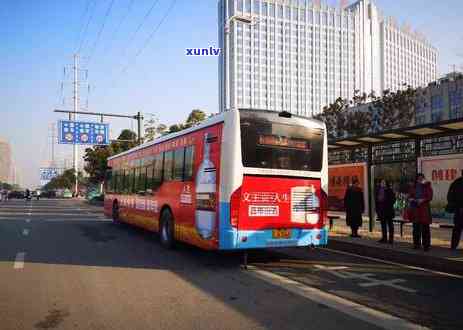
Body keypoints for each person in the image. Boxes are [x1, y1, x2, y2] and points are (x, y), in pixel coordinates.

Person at [408, 173, 433, 251]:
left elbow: (430, 196)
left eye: (421, 178)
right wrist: (411, 199)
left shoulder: (427, 186)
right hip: (416, 209)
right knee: (416, 228)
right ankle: (416, 244)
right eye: (418, 178)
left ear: (424, 179)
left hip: (424, 210)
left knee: (425, 229)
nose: (420, 180)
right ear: (416, 179)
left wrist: (423, 200)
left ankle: (426, 246)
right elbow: (410, 195)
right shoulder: (413, 187)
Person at [375, 179, 396, 244]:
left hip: (388, 210)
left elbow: (393, 199)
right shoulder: (379, 190)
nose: (382, 183)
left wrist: (387, 203)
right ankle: (384, 238)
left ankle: (391, 239)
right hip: (381, 210)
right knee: (383, 225)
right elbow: (376, 200)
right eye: (381, 182)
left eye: (384, 182)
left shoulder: (389, 190)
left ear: (386, 183)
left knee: (390, 225)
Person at [447, 174, 463, 250]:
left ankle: (453, 246)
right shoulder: (456, 182)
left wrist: (455, 205)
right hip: (459, 208)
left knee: (457, 228)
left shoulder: (456, 182)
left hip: (458, 209)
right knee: (457, 228)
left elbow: (449, 196)